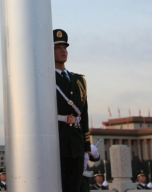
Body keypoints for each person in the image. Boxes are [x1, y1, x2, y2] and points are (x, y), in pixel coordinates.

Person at [54, 30, 93, 192]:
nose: (63, 51)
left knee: (74, 188)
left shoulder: (78, 81)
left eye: (65, 47)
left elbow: (83, 115)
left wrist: (86, 147)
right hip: (57, 142)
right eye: (58, 48)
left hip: (75, 144)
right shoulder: (44, 77)